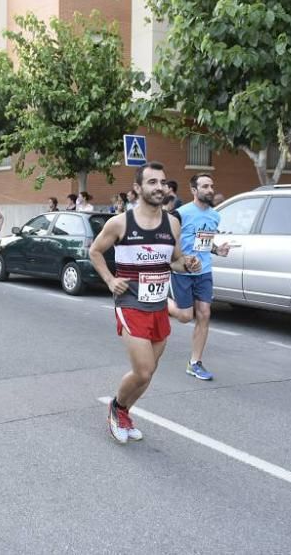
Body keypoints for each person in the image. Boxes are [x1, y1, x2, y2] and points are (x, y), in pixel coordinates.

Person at [89, 161, 199, 444]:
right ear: (137, 188)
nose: (159, 187)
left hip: (159, 305)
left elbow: (174, 260)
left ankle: (124, 413)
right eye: (152, 182)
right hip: (131, 303)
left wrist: (187, 263)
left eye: (162, 182)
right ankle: (116, 407)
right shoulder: (120, 223)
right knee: (144, 369)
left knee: (148, 373)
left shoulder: (172, 223)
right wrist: (111, 281)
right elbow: (95, 252)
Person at [167, 173, 231, 381]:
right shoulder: (180, 214)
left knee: (204, 312)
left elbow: (203, 242)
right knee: (186, 316)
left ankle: (195, 363)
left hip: (204, 271)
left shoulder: (215, 216)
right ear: (194, 190)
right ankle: (160, 300)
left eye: (211, 186)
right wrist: (182, 259)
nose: (210, 190)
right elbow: (170, 241)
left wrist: (217, 250)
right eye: (205, 186)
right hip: (183, 271)